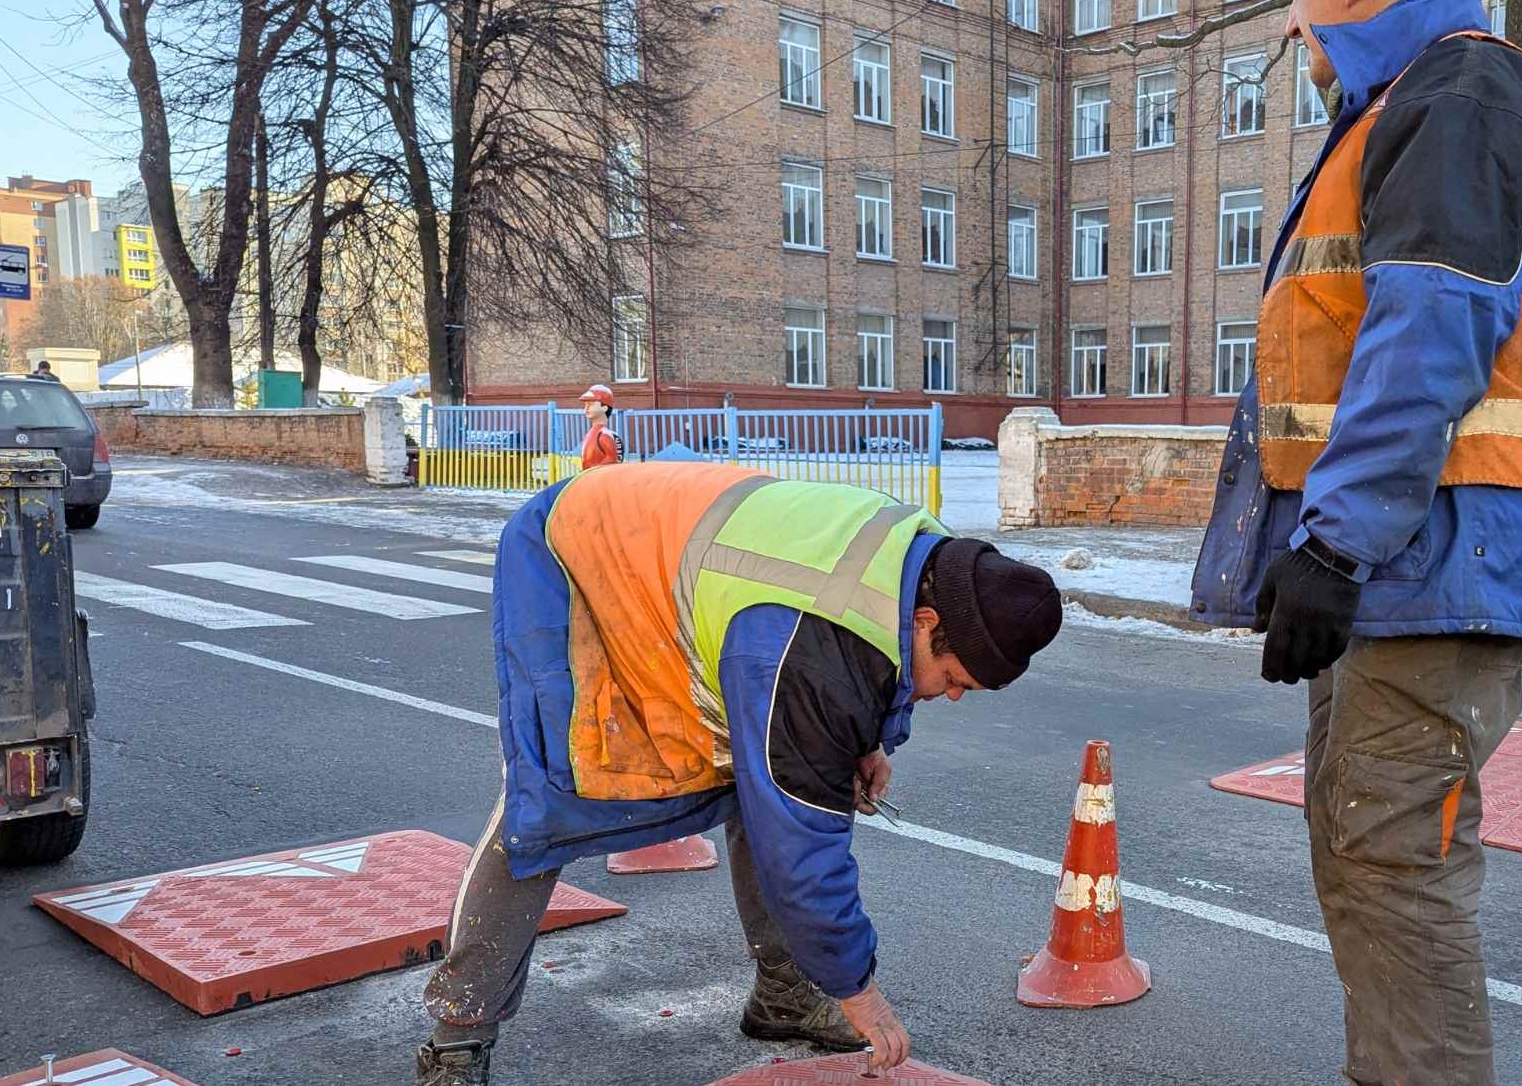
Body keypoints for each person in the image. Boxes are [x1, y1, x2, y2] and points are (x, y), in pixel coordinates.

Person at [1189, 0, 1522, 1086]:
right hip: (1412, 554)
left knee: (1389, 862)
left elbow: (1428, 332)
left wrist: (1332, 545)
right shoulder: (1408, 105)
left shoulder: (1460, 92)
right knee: (1364, 853)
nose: (1291, 18)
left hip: (1434, 550)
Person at [415, 461, 1063, 1085]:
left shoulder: (936, 571)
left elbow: (861, 663)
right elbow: (802, 847)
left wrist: (866, 742)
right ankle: (458, 1042)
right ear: (927, 623)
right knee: (551, 801)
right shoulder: (811, 653)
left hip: (698, 575)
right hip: (582, 556)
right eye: (955, 680)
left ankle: (783, 993)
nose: (951, 696)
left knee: (767, 777)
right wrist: (857, 990)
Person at [578, 384, 622, 468]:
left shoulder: (604, 435)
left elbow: (612, 460)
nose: (586, 408)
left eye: (591, 404)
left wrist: (594, 471)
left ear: (604, 408)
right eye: (585, 405)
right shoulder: (591, 434)